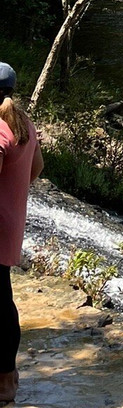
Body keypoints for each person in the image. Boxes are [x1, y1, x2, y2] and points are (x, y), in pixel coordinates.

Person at [0, 63, 42, 404]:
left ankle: (5, 380)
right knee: (2, 300)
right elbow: (37, 167)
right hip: (9, 224)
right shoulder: (23, 123)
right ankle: (6, 378)